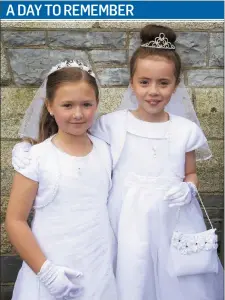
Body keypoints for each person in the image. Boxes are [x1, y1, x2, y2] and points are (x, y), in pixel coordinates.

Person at [12, 25, 223, 300]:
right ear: (131, 82)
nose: (153, 91)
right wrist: (32, 151)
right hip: (126, 226)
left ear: (176, 85)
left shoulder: (184, 130)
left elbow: (190, 173)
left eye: (164, 83)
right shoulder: (111, 126)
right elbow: (76, 154)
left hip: (173, 222)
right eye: (144, 82)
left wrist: (190, 188)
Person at [6, 60, 117, 300]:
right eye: (67, 105)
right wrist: (46, 272)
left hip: (99, 270)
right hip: (51, 269)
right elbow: (15, 220)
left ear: (96, 104)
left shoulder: (106, 151)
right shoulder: (36, 158)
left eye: (86, 104)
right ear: (50, 106)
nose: (78, 114)